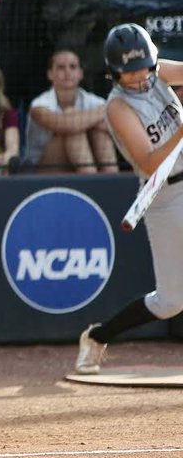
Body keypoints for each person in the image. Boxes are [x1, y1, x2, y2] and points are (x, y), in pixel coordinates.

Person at [76, 24, 183, 374]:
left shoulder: (155, 71)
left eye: (145, 72)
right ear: (113, 74)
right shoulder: (117, 108)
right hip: (165, 194)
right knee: (171, 302)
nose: (140, 81)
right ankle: (98, 336)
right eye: (129, 75)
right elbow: (152, 163)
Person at [23, 49, 116, 174]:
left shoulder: (95, 101)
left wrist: (87, 122)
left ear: (80, 73)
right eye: (61, 67)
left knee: (99, 133)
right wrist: (103, 111)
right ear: (50, 74)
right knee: (72, 125)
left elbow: (113, 127)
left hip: (85, 157)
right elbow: (66, 125)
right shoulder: (38, 104)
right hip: (42, 169)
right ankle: (92, 184)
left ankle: (109, 179)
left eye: (73, 67)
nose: (67, 72)